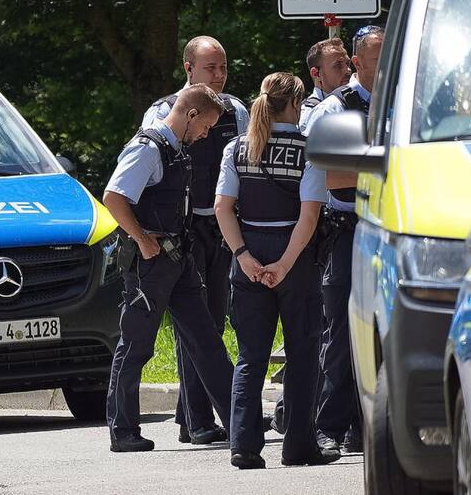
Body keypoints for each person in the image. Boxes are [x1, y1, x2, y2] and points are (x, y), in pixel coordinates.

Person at [214, 72, 338, 469]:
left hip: (247, 254)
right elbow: (309, 215)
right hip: (294, 259)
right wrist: (284, 264)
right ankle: (299, 445)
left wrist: (244, 256)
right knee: (303, 353)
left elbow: (222, 207)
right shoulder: (308, 150)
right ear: (297, 105)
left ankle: (244, 445)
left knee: (251, 355)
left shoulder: (237, 147)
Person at [104, 84, 235, 452]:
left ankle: (239, 421)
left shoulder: (178, 150)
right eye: (206, 126)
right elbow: (114, 197)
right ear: (190, 115)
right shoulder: (148, 148)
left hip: (179, 258)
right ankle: (123, 431)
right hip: (149, 263)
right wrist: (142, 239)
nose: (207, 134)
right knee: (137, 345)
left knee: (207, 339)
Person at [141, 36, 249, 444]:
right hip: (180, 231)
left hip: (219, 228)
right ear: (189, 69)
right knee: (193, 323)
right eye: (210, 69)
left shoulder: (236, 110)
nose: (219, 76)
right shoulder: (161, 111)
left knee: (213, 322)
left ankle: (192, 416)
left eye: (223, 68)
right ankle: (198, 419)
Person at [300, 25, 384, 455]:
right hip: (346, 229)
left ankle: (362, 425)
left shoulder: (395, 104)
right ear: (357, 62)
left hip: (388, 228)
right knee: (341, 331)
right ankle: (327, 425)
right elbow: (333, 178)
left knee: (381, 331)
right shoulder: (335, 108)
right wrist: (389, 167)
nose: (388, 59)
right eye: (378, 53)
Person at [272, 36, 352, 435]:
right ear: (316, 72)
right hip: (314, 230)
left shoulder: (355, 105)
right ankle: (295, 411)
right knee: (317, 326)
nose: (347, 70)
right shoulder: (309, 113)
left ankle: (295, 410)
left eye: (347, 63)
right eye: (338, 65)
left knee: (322, 325)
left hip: (324, 227)